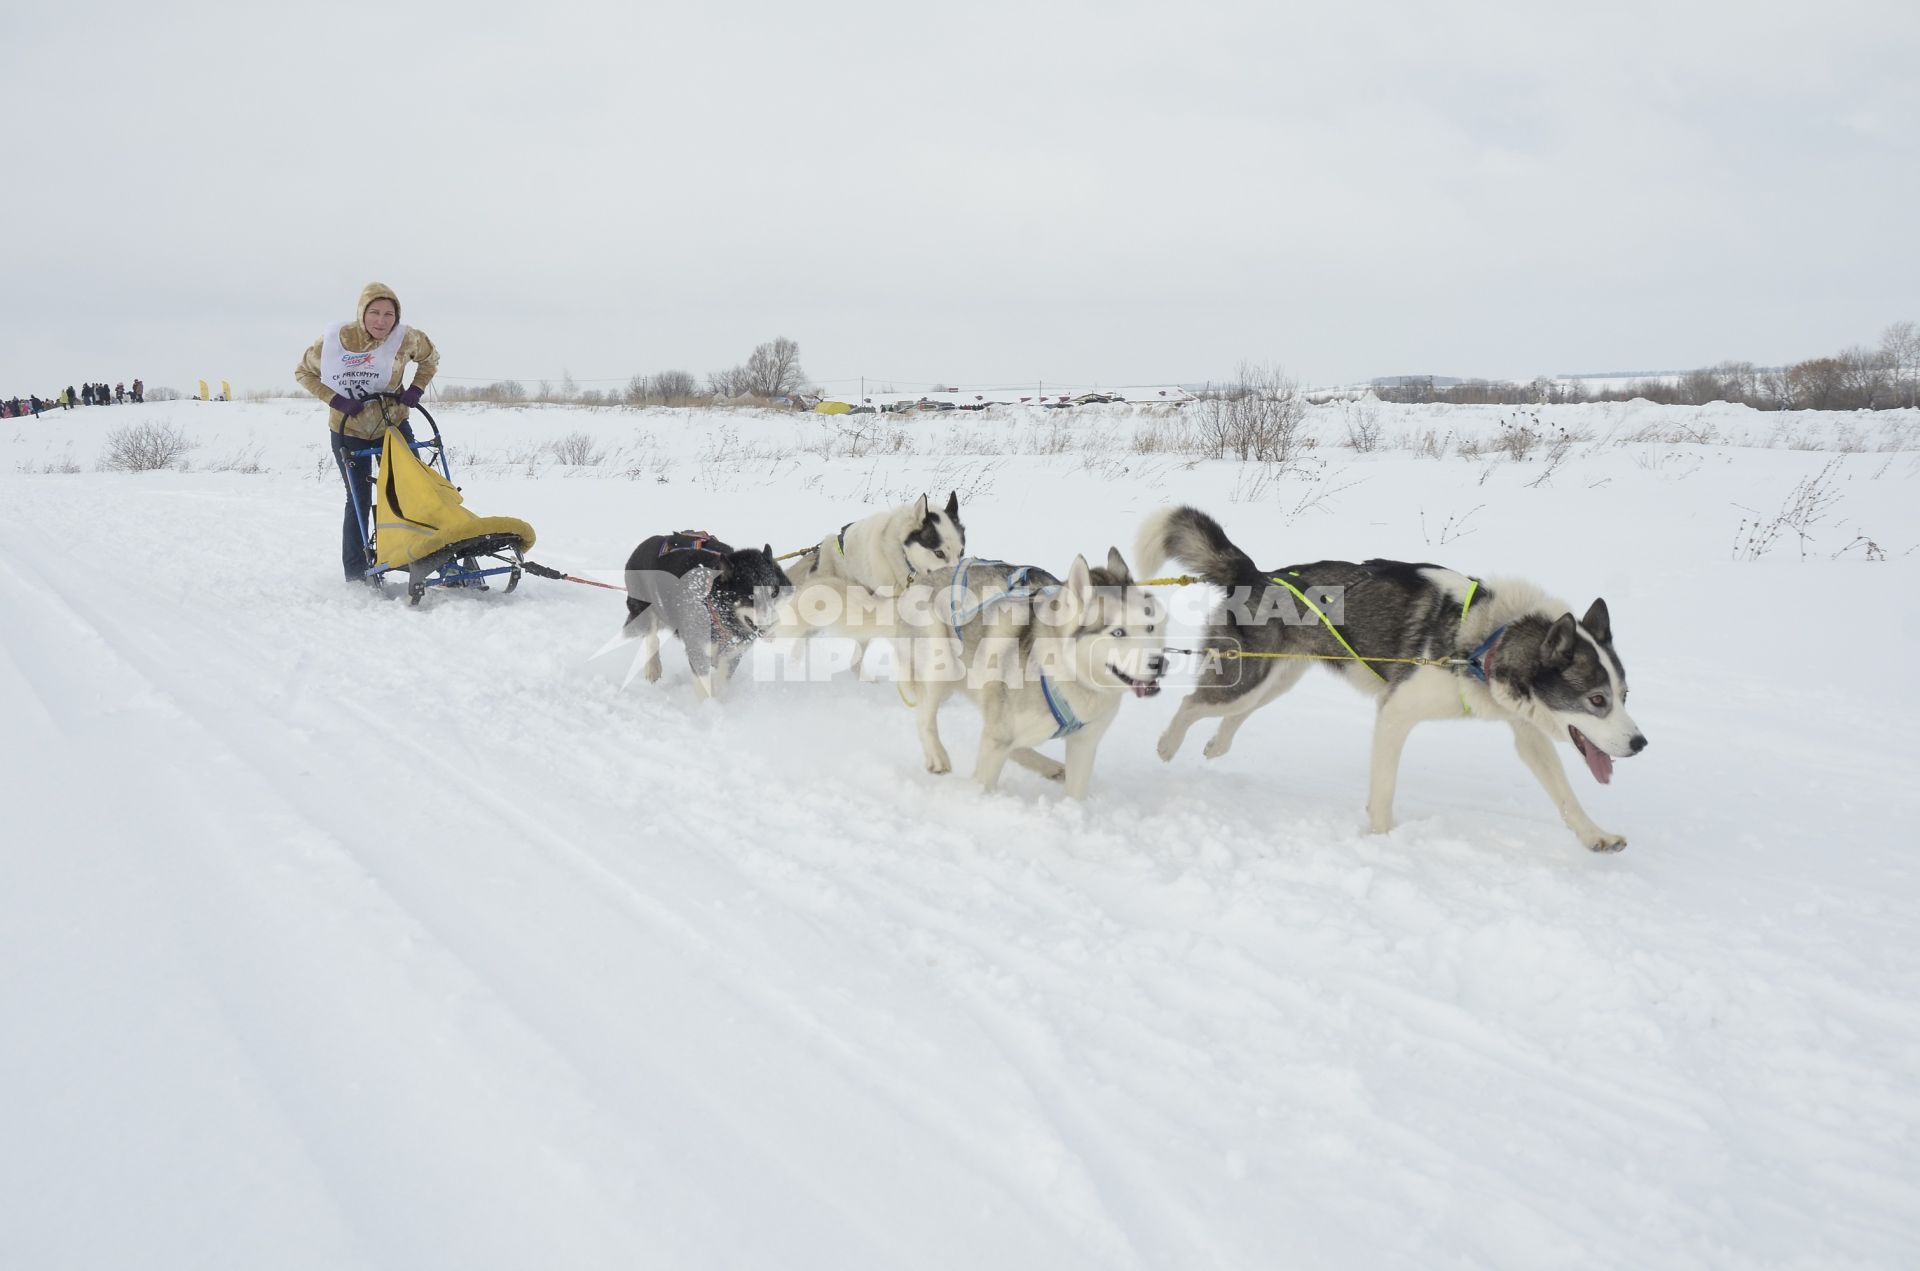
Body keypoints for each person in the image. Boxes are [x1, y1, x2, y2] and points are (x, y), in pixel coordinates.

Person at [295, 282, 440, 583]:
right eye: (374, 312)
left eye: (389, 314)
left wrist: (416, 388)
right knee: (358, 499)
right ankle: (357, 573)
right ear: (362, 313)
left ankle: (429, 555)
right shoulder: (337, 339)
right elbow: (303, 372)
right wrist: (336, 400)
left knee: (413, 490)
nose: (381, 321)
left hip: (393, 424)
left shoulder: (407, 338)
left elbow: (431, 359)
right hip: (349, 428)